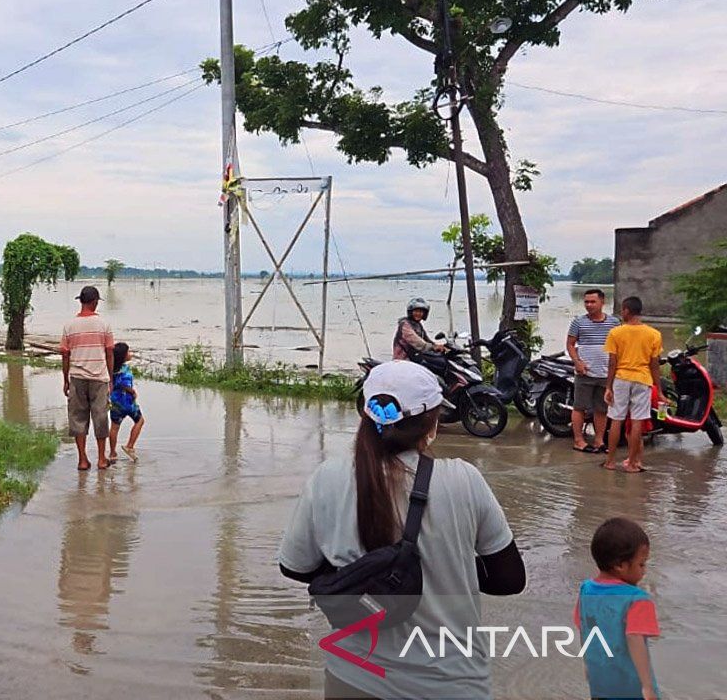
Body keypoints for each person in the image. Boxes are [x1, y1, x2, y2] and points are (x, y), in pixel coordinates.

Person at [278, 360, 526, 700]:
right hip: (452, 683)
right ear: (431, 422)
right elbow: (510, 579)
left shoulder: (328, 478)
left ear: (363, 415)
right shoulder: (464, 480)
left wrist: (361, 574)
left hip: (352, 679)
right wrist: (444, 562)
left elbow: (294, 567)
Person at [575, 517, 660, 700]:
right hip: (631, 686)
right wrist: (647, 687)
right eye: (641, 564)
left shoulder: (586, 590)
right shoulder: (637, 600)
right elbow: (634, 637)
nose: (644, 571)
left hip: (601, 682)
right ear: (620, 565)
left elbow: (584, 627)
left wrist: (587, 664)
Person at [603, 297, 662, 473]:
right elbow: (654, 364)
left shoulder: (616, 333)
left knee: (616, 419)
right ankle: (632, 462)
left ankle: (610, 461)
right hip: (643, 380)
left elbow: (612, 362)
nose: (622, 313)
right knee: (637, 421)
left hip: (621, 378)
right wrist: (657, 387)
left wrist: (608, 386)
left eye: (622, 310)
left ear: (627, 310)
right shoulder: (654, 334)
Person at [60, 286, 115, 471]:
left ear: (81, 301)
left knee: (78, 418)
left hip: (77, 377)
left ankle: (82, 460)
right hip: (99, 377)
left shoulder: (69, 326)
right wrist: (111, 378)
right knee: (100, 417)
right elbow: (109, 353)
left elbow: (65, 355)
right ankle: (101, 459)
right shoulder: (104, 325)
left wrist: (66, 379)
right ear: (95, 302)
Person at [566, 288, 620, 453]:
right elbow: (570, 344)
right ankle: (578, 440)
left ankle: (598, 440)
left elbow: (619, 347)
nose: (589, 305)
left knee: (601, 409)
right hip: (585, 373)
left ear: (602, 302)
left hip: (606, 374)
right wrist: (577, 362)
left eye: (592, 302)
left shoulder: (614, 323)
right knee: (579, 407)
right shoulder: (578, 322)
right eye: (586, 302)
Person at [109, 342, 145, 463]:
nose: (130, 354)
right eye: (128, 352)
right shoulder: (124, 369)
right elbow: (123, 384)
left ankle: (112, 452)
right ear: (124, 356)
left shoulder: (111, 368)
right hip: (127, 401)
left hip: (115, 401)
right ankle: (130, 446)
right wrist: (132, 391)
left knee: (114, 427)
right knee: (140, 420)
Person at [393, 297, 447, 370]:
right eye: (416, 311)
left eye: (421, 312)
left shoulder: (418, 325)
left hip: (415, 358)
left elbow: (426, 340)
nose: (418, 314)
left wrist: (439, 346)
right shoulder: (405, 325)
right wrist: (432, 347)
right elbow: (417, 342)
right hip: (403, 360)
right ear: (410, 312)